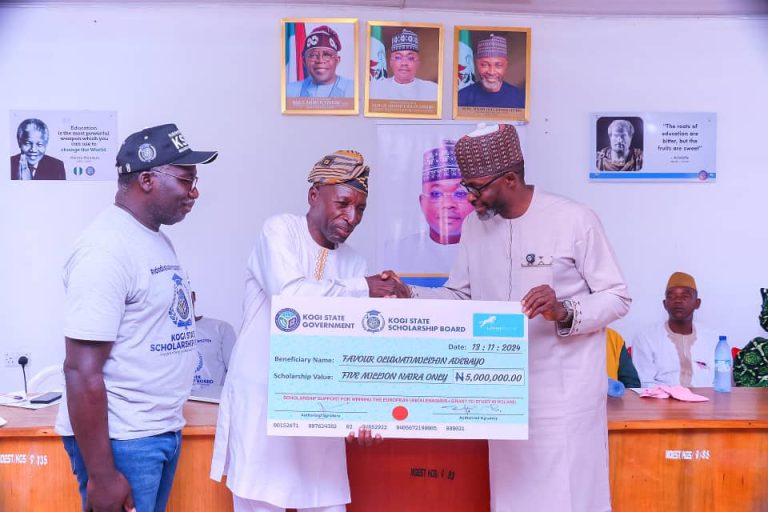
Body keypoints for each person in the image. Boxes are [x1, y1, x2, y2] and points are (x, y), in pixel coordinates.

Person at [410, 123, 631, 511]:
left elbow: (617, 297)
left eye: (477, 188)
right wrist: (407, 294)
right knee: (513, 499)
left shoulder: (574, 219)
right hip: (503, 396)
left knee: (567, 499)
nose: (471, 199)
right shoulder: (475, 228)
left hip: (565, 401)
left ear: (510, 179)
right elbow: (460, 296)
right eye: (467, 187)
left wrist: (564, 310)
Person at [211, 150, 409, 512]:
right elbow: (291, 300)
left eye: (360, 208)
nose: (352, 217)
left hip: (320, 407)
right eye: (343, 203)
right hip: (263, 405)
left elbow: (353, 346)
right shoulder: (279, 231)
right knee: (261, 496)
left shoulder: (354, 261)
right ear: (314, 195)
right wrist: (364, 288)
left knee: (324, 498)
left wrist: (365, 412)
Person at [57, 123, 218, 512]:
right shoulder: (105, 249)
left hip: (157, 429)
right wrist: (102, 476)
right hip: (124, 439)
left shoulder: (153, 238)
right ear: (147, 179)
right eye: (186, 180)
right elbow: (80, 370)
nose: (194, 192)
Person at [633, 272, 718, 388]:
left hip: (705, 398)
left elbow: (721, 381)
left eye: (685, 296)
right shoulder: (646, 338)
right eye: (671, 296)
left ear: (697, 303)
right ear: (665, 304)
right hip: (661, 398)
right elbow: (644, 382)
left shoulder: (713, 339)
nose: (678, 300)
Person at [419, 140, 474, 245]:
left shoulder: (497, 249)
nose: (448, 204)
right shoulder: (396, 250)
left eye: (460, 194)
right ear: (422, 203)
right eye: (436, 194)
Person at [457, 34, 525, 109]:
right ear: (477, 64)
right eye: (485, 65)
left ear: (506, 65)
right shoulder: (461, 97)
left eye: (498, 65)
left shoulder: (520, 98)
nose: (491, 72)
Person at [369, 28, 438, 101]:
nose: (404, 63)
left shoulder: (433, 90)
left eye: (410, 58)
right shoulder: (375, 89)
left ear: (418, 62)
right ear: (391, 62)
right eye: (398, 57)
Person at [191, 291, 236, 400]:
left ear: (193, 296)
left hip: (212, 402)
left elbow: (236, 371)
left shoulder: (221, 328)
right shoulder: (163, 333)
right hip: (175, 404)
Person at [286, 25, 354, 98]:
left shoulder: (353, 89)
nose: (320, 60)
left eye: (327, 55)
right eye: (313, 55)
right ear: (304, 61)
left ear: (337, 60)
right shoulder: (290, 90)